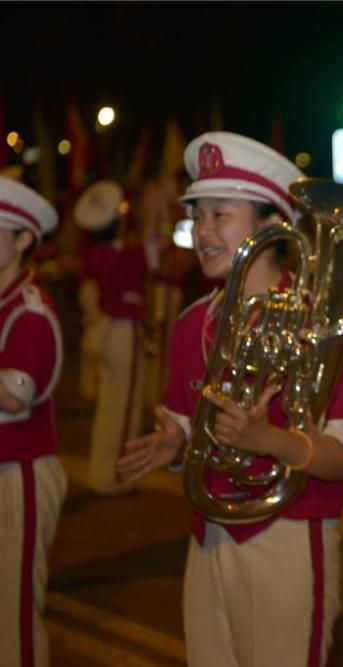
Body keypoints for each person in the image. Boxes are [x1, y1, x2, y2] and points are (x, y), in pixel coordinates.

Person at [116, 132, 343, 667]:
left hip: (291, 535)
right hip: (208, 535)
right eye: (199, 215)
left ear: (270, 226)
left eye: (220, 214)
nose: (203, 230)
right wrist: (173, 442)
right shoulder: (191, 324)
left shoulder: (323, 328)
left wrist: (268, 440)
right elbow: (188, 427)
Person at [0, 176, 65, 667]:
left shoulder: (29, 312)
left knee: (14, 619)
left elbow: (14, 398)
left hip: (17, 472)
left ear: (23, 240)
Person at [73, 180, 149, 496]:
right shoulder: (124, 254)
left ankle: (100, 471)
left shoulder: (94, 254)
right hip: (122, 330)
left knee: (108, 403)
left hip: (104, 331)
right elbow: (144, 264)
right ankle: (116, 477)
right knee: (125, 405)